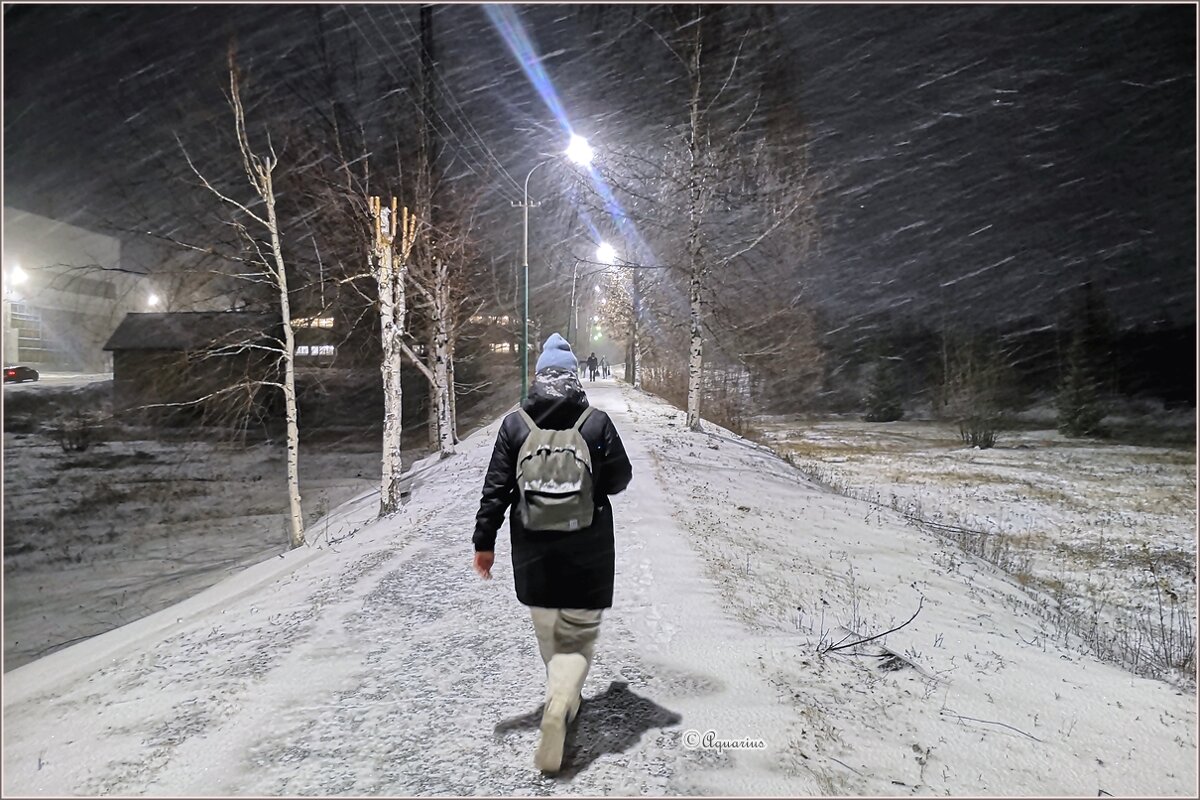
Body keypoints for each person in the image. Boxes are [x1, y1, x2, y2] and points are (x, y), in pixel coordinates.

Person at [473, 332, 633, 774]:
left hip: (533, 551)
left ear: (539, 377)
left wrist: (483, 542)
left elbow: (495, 491)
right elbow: (620, 479)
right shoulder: (596, 423)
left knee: (550, 636)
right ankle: (559, 706)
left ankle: (561, 698)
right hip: (589, 550)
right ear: (575, 377)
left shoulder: (514, 425)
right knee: (577, 636)